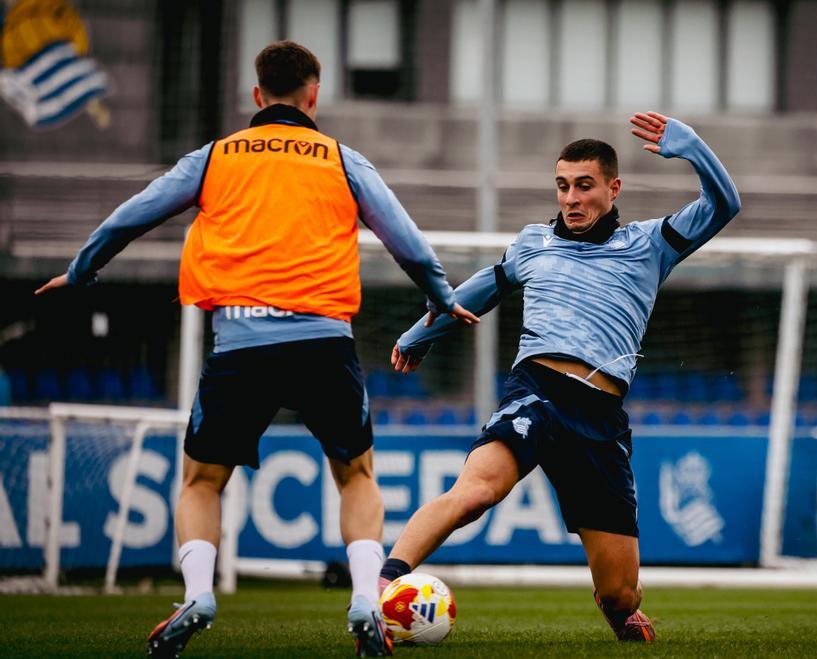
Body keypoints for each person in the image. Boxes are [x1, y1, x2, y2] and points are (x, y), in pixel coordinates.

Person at [35, 40, 478, 658]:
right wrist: (439, 296)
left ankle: (196, 595)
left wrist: (82, 272)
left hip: (240, 343)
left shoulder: (215, 157)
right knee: (355, 475)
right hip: (325, 342)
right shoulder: (341, 159)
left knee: (201, 481)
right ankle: (362, 598)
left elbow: (131, 217)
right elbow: (404, 239)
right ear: (313, 95)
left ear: (256, 94)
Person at [380, 111, 740, 642]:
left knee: (622, 593)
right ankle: (381, 588)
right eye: (563, 186)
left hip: (599, 416)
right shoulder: (533, 243)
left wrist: (691, 148)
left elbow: (724, 204)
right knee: (476, 491)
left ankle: (618, 607)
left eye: (584, 186)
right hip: (537, 393)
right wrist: (419, 333)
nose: (571, 198)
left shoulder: (650, 244)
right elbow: (484, 287)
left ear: (614, 188)